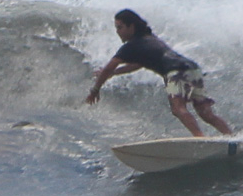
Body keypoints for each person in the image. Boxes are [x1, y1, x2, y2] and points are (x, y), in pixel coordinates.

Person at [85, 9, 234, 137]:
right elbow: (138, 64)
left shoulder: (130, 46)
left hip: (174, 73)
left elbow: (108, 67)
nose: (118, 32)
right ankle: (230, 137)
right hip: (192, 69)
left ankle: (200, 138)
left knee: (178, 108)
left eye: (120, 27)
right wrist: (115, 73)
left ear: (132, 26)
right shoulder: (149, 39)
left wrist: (95, 90)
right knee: (205, 113)